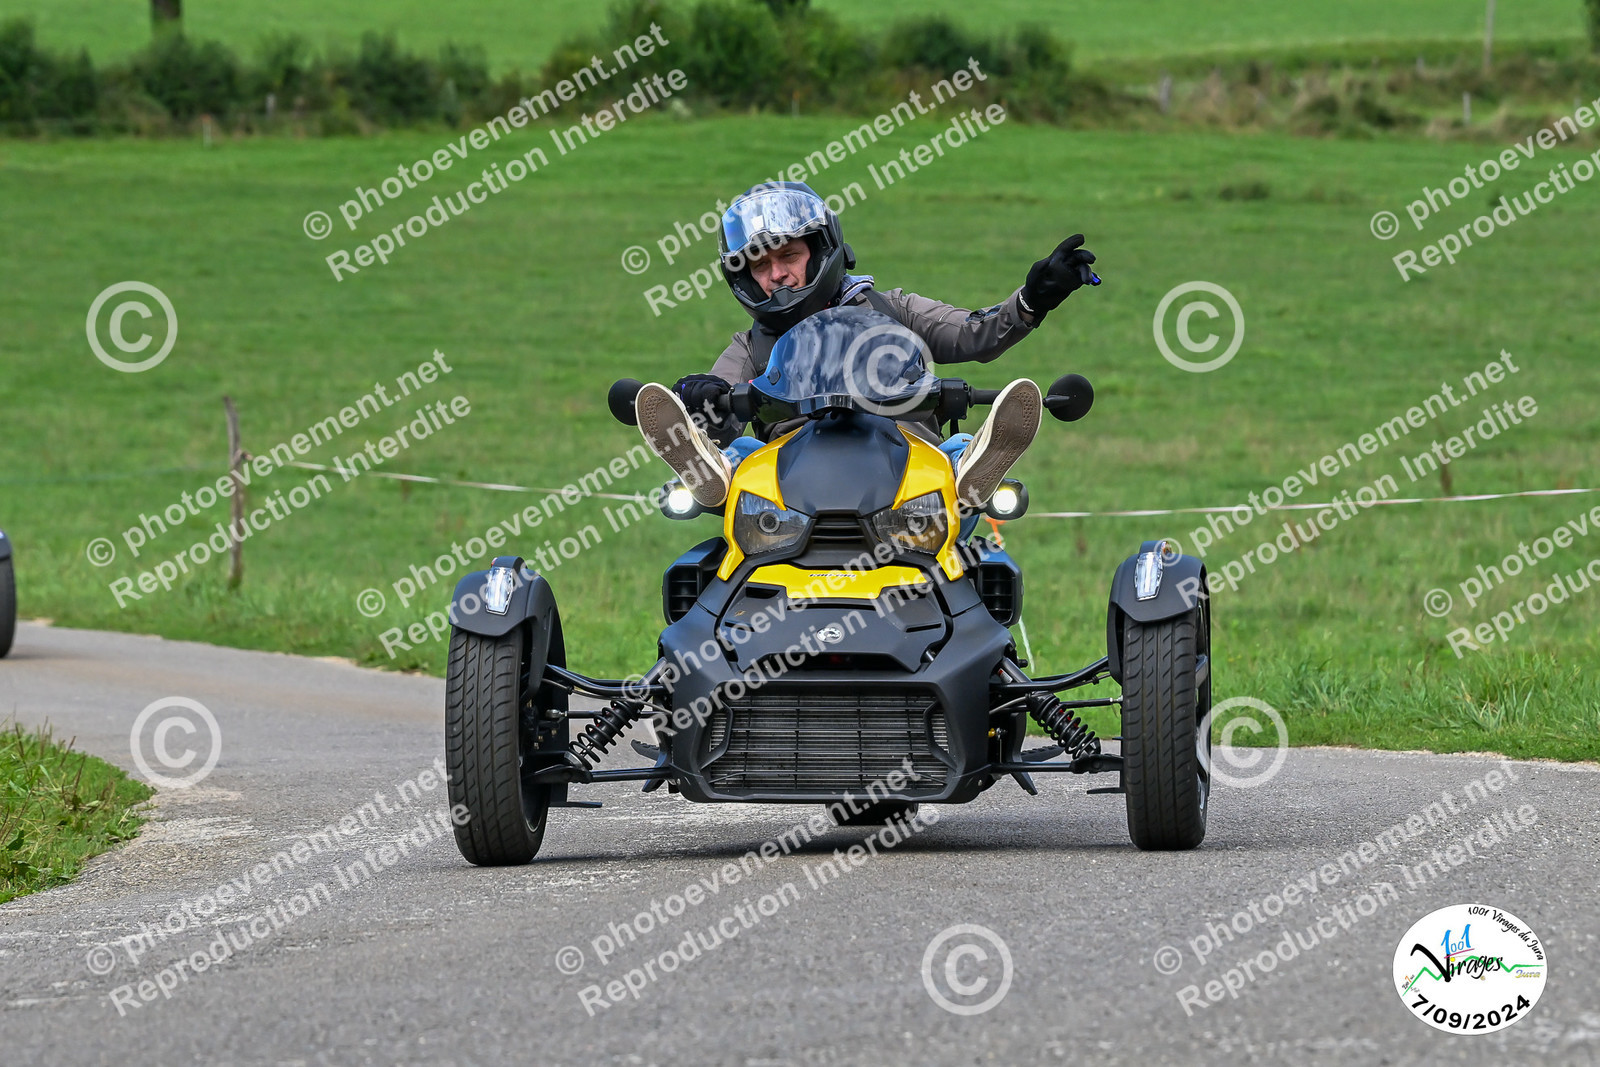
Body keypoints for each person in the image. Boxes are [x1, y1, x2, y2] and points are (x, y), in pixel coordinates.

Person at [634, 181, 1097, 512]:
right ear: (745, 277)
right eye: (760, 265)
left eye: (789, 256)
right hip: (790, 485)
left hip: (909, 468)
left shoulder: (893, 310)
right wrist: (699, 397)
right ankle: (712, 472)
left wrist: (1034, 298)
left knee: (956, 444)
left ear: (821, 251)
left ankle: (971, 470)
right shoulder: (751, 345)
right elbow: (719, 396)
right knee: (740, 452)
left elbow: (974, 333)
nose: (776, 274)